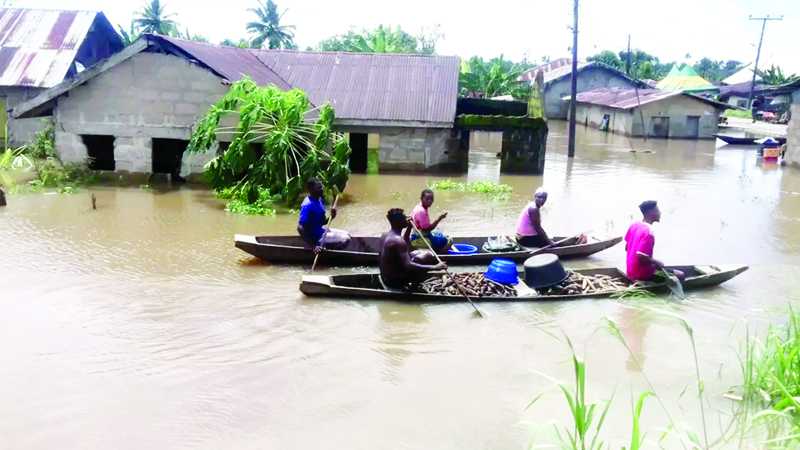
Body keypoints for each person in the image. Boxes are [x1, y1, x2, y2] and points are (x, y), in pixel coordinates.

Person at [379, 208, 446, 290]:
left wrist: (409, 227)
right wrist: (435, 267)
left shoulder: (385, 235)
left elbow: (403, 242)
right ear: (399, 222)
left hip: (386, 275)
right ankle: (413, 289)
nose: (407, 218)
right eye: (404, 217)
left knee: (424, 254)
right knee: (427, 259)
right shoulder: (397, 240)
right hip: (392, 280)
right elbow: (408, 265)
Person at [624, 200, 684, 281]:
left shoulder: (634, 225)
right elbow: (641, 257)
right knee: (680, 275)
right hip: (642, 274)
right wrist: (656, 262)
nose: (660, 213)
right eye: (658, 210)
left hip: (630, 271)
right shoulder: (649, 231)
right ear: (651, 212)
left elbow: (627, 248)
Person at [297, 178, 351, 254]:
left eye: (322, 186)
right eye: (319, 187)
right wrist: (313, 247)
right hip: (316, 238)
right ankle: (328, 255)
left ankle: (327, 249)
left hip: (321, 231)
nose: (322, 189)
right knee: (346, 239)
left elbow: (323, 222)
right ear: (310, 189)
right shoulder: (307, 205)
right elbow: (300, 228)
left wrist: (331, 216)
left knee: (347, 234)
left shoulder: (319, 200)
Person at [409, 189, 453, 253]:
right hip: (419, 238)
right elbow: (427, 230)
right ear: (421, 199)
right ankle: (440, 255)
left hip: (416, 235)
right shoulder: (422, 211)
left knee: (442, 235)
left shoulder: (419, 206)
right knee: (449, 240)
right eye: (427, 199)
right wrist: (439, 219)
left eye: (431, 199)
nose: (430, 201)